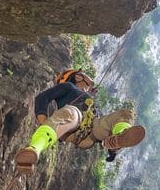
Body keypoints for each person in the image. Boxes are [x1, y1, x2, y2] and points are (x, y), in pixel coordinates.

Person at [14, 71, 145, 174]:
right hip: (76, 124)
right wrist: (45, 124)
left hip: (94, 130)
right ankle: (34, 149)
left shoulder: (92, 99)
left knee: (126, 113)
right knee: (69, 113)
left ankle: (119, 136)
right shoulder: (69, 87)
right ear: (77, 77)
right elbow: (42, 98)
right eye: (84, 74)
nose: (90, 79)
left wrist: (112, 149)